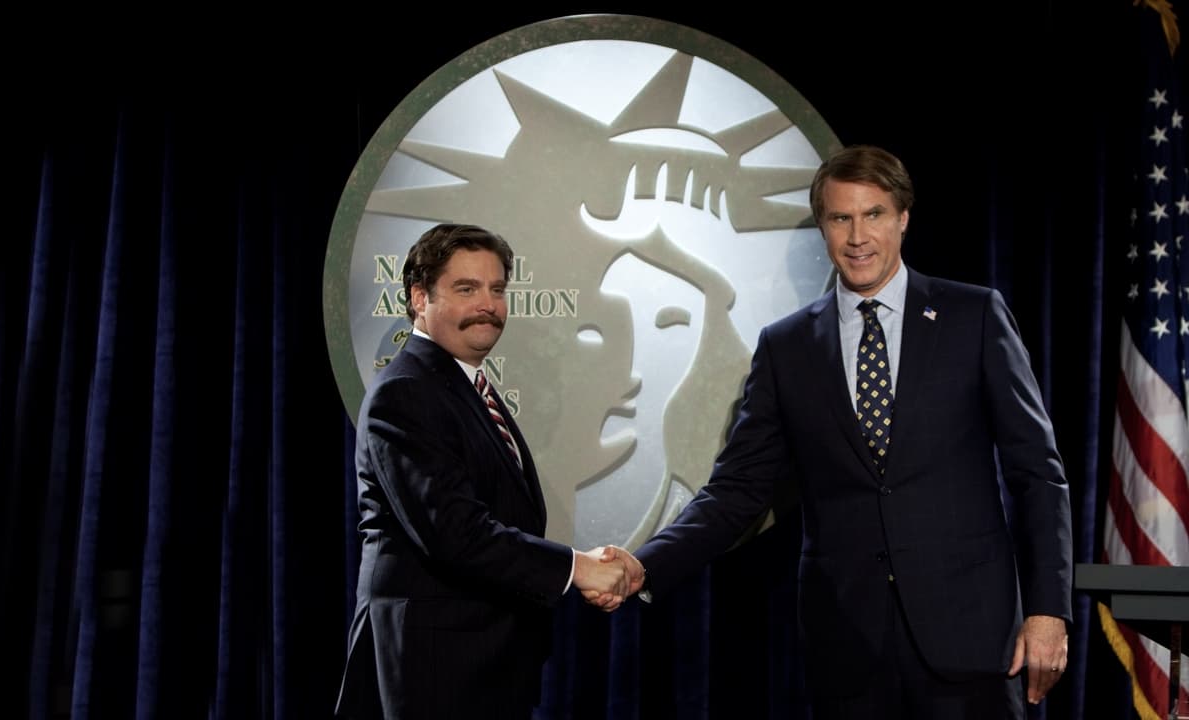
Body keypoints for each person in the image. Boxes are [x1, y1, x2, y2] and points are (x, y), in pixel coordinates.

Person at [602, 145, 1073, 718]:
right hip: (848, 646)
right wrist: (647, 563)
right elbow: (737, 491)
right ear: (822, 227)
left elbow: (1037, 474)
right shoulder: (787, 347)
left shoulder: (973, 316)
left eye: (873, 214)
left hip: (971, 635)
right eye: (840, 218)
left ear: (903, 218)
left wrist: (1049, 610)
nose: (857, 236)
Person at [334, 223, 629, 720]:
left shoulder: (462, 386)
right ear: (420, 297)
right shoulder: (406, 392)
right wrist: (578, 567)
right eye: (466, 289)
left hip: (481, 664)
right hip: (432, 669)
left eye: (497, 289)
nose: (488, 305)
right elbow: (455, 533)